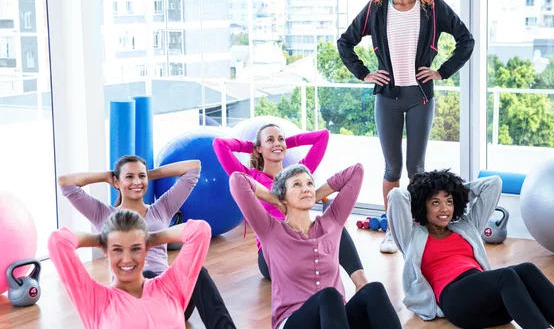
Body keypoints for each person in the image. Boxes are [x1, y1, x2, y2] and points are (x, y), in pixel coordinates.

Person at [337, 0, 475, 254]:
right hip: (387, 97)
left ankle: (419, 230)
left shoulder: (432, 6)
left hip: (419, 97)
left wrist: (442, 71)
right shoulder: (376, 7)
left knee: (417, 169)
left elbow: (466, 40)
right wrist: (364, 73)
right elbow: (346, 42)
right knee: (392, 168)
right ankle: (393, 230)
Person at [58, 156, 236, 329]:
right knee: (148, 274)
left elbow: (193, 168)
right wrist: (107, 176)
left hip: (170, 295)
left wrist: (149, 174)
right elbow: (66, 183)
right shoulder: (103, 215)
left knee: (198, 272)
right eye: (129, 177)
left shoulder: (161, 208)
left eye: (141, 176)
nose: (137, 181)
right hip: (129, 302)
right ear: (117, 182)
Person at [387, 170, 554, 328]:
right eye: (435, 202)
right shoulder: (412, 235)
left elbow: (493, 183)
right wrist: (423, 191)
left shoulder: (467, 226)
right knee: (506, 275)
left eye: (449, 201)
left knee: (527, 269)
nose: (445, 209)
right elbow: (397, 196)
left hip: (491, 303)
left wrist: (456, 191)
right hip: (456, 301)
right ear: (422, 205)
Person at [229, 163, 402, 329]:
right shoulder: (271, 231)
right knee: (329, 295)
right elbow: (237, 180)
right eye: (297, 184)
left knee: (374, 290)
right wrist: (276, 200)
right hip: (294, 320)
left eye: (309, 183)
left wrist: (314, 195)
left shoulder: (331, 222)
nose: (305, 188)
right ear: (283, 195)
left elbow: (356, 172)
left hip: (335, 319)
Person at [213, 126, 368, 290]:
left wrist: (285, 144)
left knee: (334, 228)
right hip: (273, 252)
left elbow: (322, 136)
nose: (277, 143)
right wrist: (251, 147)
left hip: (303, 238)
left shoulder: (296, 175)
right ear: (258, 148)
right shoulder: (250, 178)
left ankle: (361, 283)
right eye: (270, 140)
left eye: (281, 138)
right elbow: (219, 144)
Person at [48, 209, 211, 329]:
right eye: (117, 249)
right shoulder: (96, 301)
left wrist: (151, 237)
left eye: (135, 249)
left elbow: (200, 231)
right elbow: (58, 241)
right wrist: (102, 240)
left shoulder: (171, 287)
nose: (127, 259)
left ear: (147, 248)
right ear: (106, 251)